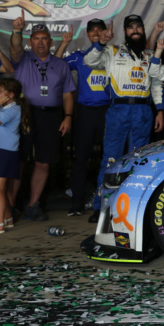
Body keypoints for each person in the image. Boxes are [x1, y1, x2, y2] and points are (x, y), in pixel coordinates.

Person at [83, 15, 162, 223]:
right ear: (125, 32)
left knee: (140, 161)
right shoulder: (112, 51)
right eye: (131, 28)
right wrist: (101, 42)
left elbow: (156, 84)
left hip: (143, 110)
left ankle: (136, 206)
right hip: (119, 109)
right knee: (111, 160)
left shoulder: (150, 54)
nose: (135, 30)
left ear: (143, 30)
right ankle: (102, 207)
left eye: (138, 27)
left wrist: (160, 110)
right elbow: (89, 61)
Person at [9, 19, 76, 222]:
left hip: (51, 116)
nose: (40, 42)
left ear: (50, 42)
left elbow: (67, 94)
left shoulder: (61, 65)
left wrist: (68, 116)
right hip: (24, 113)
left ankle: (33, 205)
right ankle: (9, 206)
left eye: (44, 38)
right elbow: (15, 46)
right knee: (18, 161)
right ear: (30, 42)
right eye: (36, 38)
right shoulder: (22, 58)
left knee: (44, 163)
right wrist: (17, 30)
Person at [55, 20, 111, 217]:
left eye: (99, 29)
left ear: (105, 32)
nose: (95, 32)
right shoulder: (80, 57)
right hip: (86, 112)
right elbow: (56, 65)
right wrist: (64, 44)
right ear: (87, 34)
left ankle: (108, 204)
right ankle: (76, 203)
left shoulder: (113, 54)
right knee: (81, 159)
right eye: (92, 30)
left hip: (108, 111)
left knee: (110, 158)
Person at [0, 79, 28, 234]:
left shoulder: (12, 110)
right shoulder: (5, 108)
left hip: (3, 151)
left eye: (1, 91)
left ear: (11, 94)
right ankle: (8, 218)